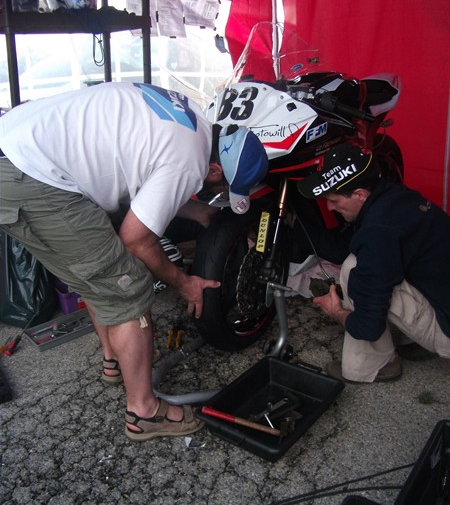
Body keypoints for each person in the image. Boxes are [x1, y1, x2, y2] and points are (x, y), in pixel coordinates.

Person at [0, 81, 269, 439]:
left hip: (19, 144)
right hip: (32, 176)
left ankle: (114, 360)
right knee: (128, 287)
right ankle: (145, 412)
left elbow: (146, 175)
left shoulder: (194, 122)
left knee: (97, 275)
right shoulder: (189, 161)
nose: (218, 193)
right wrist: (184, 283)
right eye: (222, 189)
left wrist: (202, 214)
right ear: (216, 171)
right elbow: (136, 237)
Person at [297, 142, 450, 383]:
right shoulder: (396, 197)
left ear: (360, 194)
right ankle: (415, 338)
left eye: (335, 201)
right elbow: (347, 246)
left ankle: (371, 367)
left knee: (354, 270)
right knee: (378, 268)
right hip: (440, 290)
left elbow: (367, 327)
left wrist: (335, 311)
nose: (329, 207)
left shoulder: (379, 234)